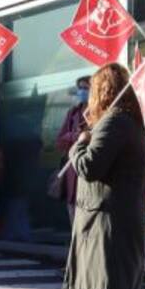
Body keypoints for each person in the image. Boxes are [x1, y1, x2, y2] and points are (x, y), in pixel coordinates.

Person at [63, 63, 145, 289]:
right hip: (113, 220)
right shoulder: (129, 122)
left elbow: (90, 167)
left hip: (109, 223)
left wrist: (78, 144)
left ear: (102, 90)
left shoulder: (115, 121)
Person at [53, 76, 90, 222]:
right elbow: (60, 142)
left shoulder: (98, 113)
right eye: (79, 88)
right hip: (71, 178)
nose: (81, 91)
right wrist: (76, 136)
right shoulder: (73, 113)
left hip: (88, 178)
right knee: (74, 221)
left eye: (85, 88)